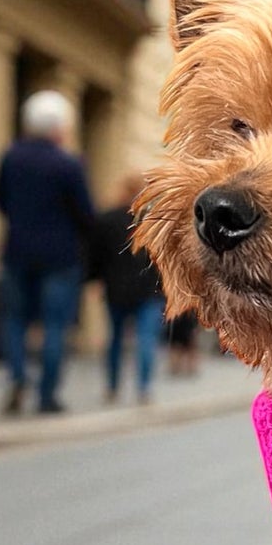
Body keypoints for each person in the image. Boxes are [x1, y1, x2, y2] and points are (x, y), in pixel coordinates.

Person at [0, 90, 95, 414]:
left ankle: (17, 375)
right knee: (54, 324)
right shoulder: (68, 164)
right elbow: (86, 213)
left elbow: (0, 200)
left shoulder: (11, 158)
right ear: (60, 127)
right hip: (60, 256)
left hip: (17, 250)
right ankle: (47, 395)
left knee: (14, 319)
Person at [87, 171, 163, 404]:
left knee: (115, 339)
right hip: (148, 289)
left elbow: (96, 255)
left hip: (116, 288)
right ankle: (144, 387)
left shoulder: (107, 219)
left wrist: (95, 279)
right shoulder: (154, 220)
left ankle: (112, 386)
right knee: (146, 339)